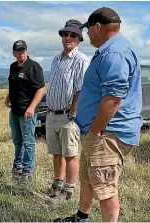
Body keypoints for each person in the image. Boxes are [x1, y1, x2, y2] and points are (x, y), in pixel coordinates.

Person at [54, 7, 142, 222]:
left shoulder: (113, 54)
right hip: (98, 132)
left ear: (98, 27)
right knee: (90, 179)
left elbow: (113, 98)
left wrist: (94, 131)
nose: (87, 35)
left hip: (106, 134)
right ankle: (81, 217)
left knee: (105, 188)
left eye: (88, 30)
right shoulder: (111, 50)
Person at [46, 19, 89, 200]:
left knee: (70, 154)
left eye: (72, 35)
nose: (68, 37)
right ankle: (57, 183)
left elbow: (80, 89)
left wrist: (73, 113)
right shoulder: (56, 59)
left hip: (68, 116)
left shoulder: (81, 60)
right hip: (52, 114)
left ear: (79, 38)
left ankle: (69, 189)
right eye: (65, 34)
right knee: (57, 153)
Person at [5, 40, 46, 184]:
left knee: (28, 143)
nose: (21, 53)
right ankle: (18, 168)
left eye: (23, 50)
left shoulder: (33, 67)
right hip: (14, 111)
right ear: (14, 53)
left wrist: (31, 107)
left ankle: (27, 173)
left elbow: (41, 89)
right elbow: (13, 85)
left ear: (27, 51)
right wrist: (8, 97)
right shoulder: (13, 66)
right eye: (18, 50)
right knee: (17, 141)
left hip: (27, 112)